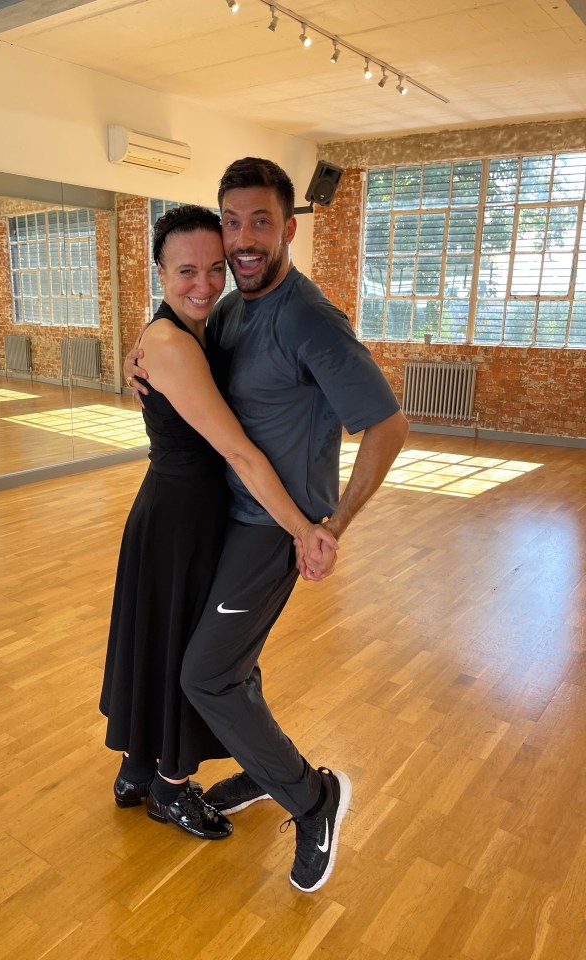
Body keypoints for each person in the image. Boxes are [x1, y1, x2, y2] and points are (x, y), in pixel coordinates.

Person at [126, 159, 410, 890]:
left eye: (261, 222)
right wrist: (145, 346)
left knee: (207, 676)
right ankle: (264, 770)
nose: (244, 240)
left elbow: (387, 427)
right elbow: (182, 336)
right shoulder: (230, 303)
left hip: (272, 528)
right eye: (233, 221)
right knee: (230, 666)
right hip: (223, 517)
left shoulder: (310, 319)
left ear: (288, 228)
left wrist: (332, 524)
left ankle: (314, 799)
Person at [100, 204, 337, 843]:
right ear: (159, 271)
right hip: (184, 517)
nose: (203, 283)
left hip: (179, 513)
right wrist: (299, 527)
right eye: (185, 271)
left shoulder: (188, 330)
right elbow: (237, 451)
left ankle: (137, 769)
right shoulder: (174, 342)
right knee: (186, 653)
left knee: (165, 643)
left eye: (214, 268)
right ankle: (170, 793)